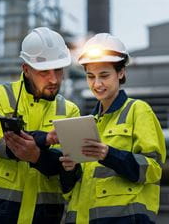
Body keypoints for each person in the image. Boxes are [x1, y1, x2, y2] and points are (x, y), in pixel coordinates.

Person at [0, 27, 80, 224]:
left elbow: (70, 169)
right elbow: (2, 145)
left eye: (58, 70)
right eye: (44, 72)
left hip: (43, 216)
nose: (53, 79)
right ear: (26, 70)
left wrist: (36, 156)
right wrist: (45, 139)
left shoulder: (70, 111)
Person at [59, 33, 166, 223]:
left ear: (121, 72)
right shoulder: (85, 124)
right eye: (90, 76)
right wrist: (70, 169)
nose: (97, 84)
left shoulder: (138, 111)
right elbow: (71, 190)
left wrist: (109, 155)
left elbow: (153, 170)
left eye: (104, 75)